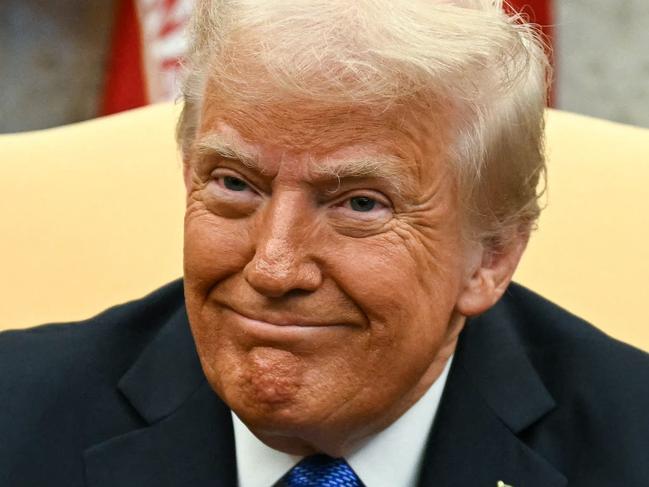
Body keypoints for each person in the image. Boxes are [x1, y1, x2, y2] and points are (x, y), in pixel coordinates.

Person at [2, 1, 649, 486]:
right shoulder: (16, 415)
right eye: (234, 183)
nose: (273, 265)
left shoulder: (628, 444)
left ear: (491, 255)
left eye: (359, 203)